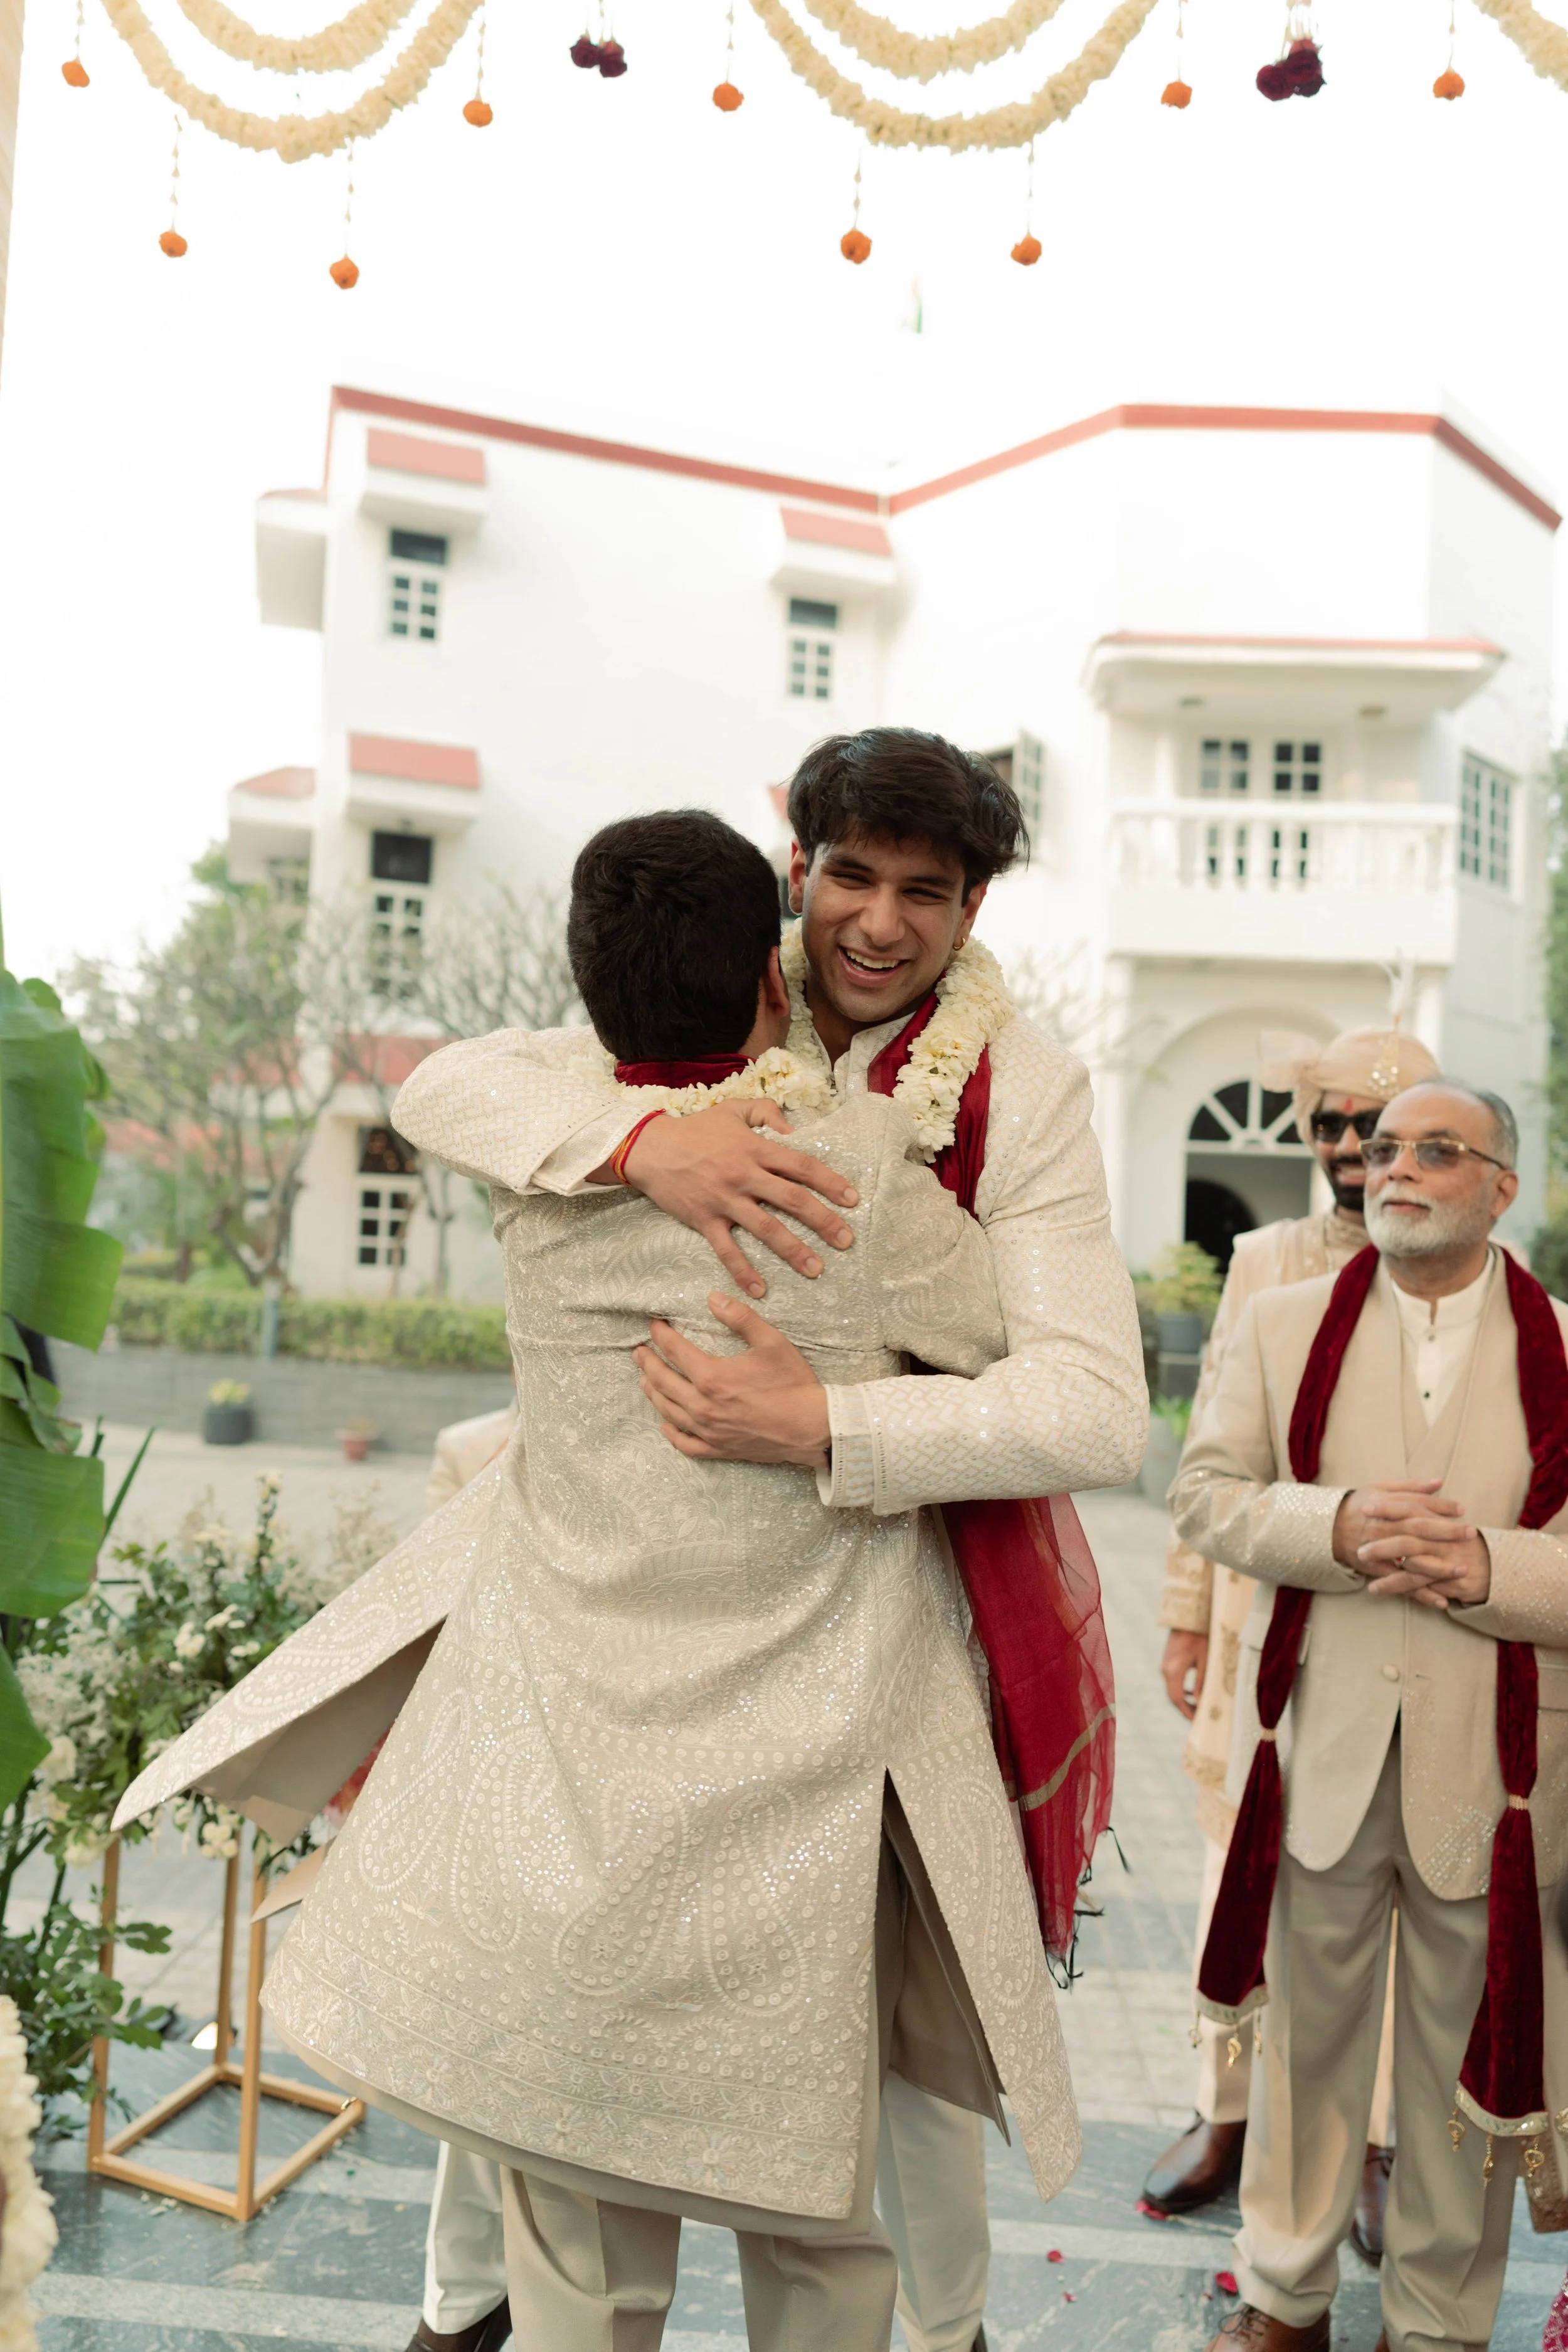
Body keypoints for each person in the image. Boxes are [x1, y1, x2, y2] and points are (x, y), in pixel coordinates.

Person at [117, 808, 1088, 2352]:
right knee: (821, 2229)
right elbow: (1008, 1351)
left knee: (572, 2232)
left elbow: (444, 1083)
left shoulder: (541, 1170)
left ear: (585, 1010)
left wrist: (634, 1143)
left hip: (574, 1774)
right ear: (776, 975)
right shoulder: (865, 1195)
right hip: (792, 1782)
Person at [389, 727, 1149, 2352]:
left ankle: (941, 2332)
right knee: (548, 2048)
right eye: (850, 878)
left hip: (850, 1669)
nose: (877, 924)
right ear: (793, 872)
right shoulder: (717, 979)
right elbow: (449, 1078)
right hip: (611, 1660)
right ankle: (465, 2308)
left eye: (924, 894)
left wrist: (829, 1429)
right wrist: (640, 1142)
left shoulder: (1020, 1088)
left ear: (975, 904)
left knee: (867, 2094)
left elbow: (1093, 1405)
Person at [1169, 1080, 1568, 2352]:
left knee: (1460, 2071)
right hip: (1316, 1753)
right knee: (1302, 2047)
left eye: (1435, 1152)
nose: (1393, 1169)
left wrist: (1489, 1572)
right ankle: (1282, 2299)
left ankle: (1437, 2324)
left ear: (1501, 1187)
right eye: (1383, 1149)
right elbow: (1203, 1495)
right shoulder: (1285, 1321)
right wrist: (1327, 1523)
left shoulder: (1564, 1340)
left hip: (1500, 1774)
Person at [1146, 1024, 1438, 2230]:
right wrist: (1181, 1619)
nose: (1350, 1153)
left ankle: (1370, 2144)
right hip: (1262, 1619)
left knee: (1389, 1886)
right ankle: (1224, 2113)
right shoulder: (1265, 1259)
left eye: (1373, 1134)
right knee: (1236, 1877)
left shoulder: (1460, 1260)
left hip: (1395, 1629)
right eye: (1328, 1129)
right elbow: (1215, 1453)